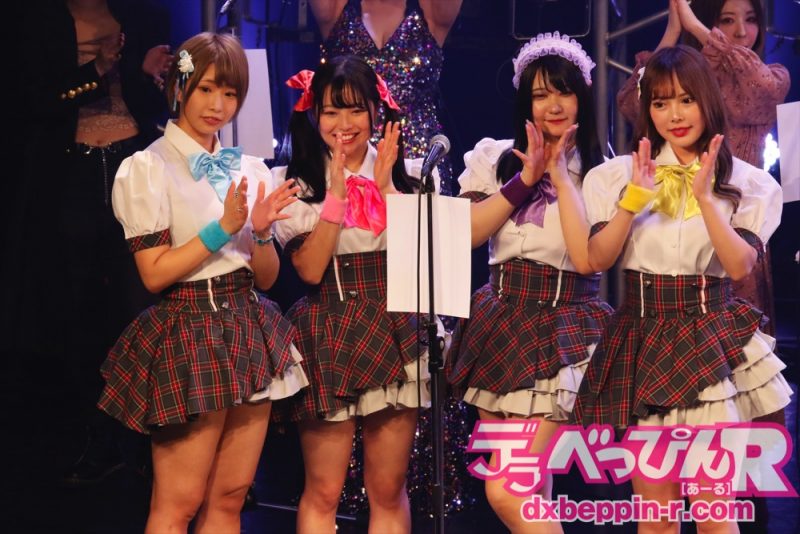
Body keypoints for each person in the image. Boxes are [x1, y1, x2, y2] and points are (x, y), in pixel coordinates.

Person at [575, 45, 792, 534]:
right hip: (643, 337)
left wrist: (707, 199)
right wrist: (633, 200)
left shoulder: (747, 182)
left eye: (686, 100)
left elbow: (739, 266)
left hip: (708, 337)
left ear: (706, 101)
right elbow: (597, 260)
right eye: (660, 102)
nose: (674, 115)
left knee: (715, 515)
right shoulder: (615, 177)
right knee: (656, 519)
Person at [97, 32, 308, 533]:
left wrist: (260, 232)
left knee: (230, 499)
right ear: (179, 87)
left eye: (230, 93)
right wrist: (222, 228)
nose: (218, 105)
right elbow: (154, 274)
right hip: (188, 330)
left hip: (248, 327)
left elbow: (267, 278)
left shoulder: (251, 169)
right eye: (207, 89)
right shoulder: (149, 168)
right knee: (179, 503)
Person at [446, 32, 610, 533]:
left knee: (508, 488)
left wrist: (558, 175)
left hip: (567, 328)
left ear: (582, 97)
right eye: (540, 94)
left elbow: (590, 260)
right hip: (500, 323)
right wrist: (526, 178)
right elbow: (468, 234)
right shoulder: (495, 158)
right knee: (533, 491)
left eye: (563, 92)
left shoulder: (600, 172)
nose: (553, 105)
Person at [272, 55, 429, 533]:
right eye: (331, 111)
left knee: (388, 487)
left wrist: (386, 188)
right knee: (323, 490)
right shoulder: (295, 182)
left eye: (356, 109)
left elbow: (423, 258)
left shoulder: (412, 172)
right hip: (329, 328)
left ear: (376, 112)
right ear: (314, 114)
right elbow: (309, 269)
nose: (344, 123)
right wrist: (336, 199)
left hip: (396, 325)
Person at [616, 0, 790, 335]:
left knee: (740, 344)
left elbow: (764, 89)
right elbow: (631, 104)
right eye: (726, 20)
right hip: (674, 210)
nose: (741, 31)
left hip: (735, 215)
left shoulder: (770, 77)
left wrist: (697, 27)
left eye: (751, 19)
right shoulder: (682, 81)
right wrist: (674, 30)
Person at [311, 0, 462, 195]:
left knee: (418, 214)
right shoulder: (334, 10)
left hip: (416, 151)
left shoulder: (432, 12)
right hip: (346, 150)